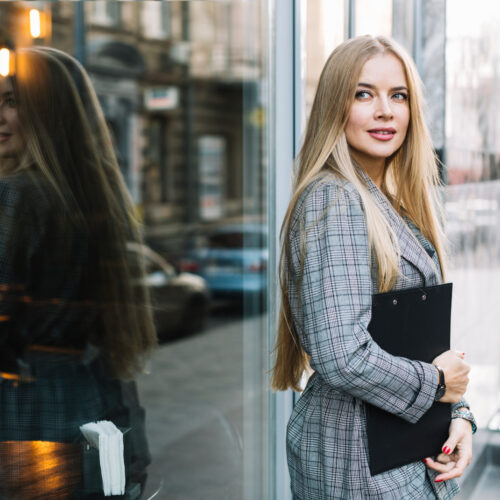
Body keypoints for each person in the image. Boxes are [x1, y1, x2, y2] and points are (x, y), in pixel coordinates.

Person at [271, 35, 476, 500]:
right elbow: (343, 355)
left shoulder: (386, 201)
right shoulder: (335, 198)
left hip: (397, 448)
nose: (385, 111)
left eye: (397, 95)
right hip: (357, 457)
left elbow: (410, 342)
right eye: (364, 93)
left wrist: (458, 417)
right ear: (333, 106)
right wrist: (441, 384)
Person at [0, 47, 157, 495]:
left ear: (50, 115)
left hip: (22, 412)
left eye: (13, 101)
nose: (0, 116)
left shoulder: (14, 197)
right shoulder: (98, 203)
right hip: (89, 401)